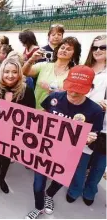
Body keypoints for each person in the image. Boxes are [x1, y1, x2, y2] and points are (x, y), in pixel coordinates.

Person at [25, 65, 104, 219]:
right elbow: (43, 113)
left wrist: (89, 138)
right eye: (71, 87)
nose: (73, 93)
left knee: (60, 179)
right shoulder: (55, 98)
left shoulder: (95, 110)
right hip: (45, 149)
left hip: (69, 154)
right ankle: (38, 206)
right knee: (38, 184)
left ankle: (49, 195)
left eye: (79, 89)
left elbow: (94, 133)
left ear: (90, 88)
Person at [0, 58, 36, 203]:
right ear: (1, 73)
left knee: (6, 158)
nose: (10, 75)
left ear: (19, 74)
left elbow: (32, 114)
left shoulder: (27, 91)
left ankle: (1, 179)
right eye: (7, 72)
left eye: (14, 72)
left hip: (14, 134)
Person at [66, 35, 107, 206]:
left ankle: (90, 190)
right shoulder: (83, 68)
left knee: (99, 165)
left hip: (105, 127)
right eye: (94, 47)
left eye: (103, 47)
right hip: (84, 124)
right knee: (80, 162)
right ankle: (75, 189)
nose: (98, 50)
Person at [22, 37, 82, 110]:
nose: (64, 50)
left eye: (68, 49)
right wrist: (32, 59)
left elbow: (76, 95)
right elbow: (24, 72)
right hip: (37, 111)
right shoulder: (44, 65)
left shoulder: (75, 73)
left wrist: (57, 91)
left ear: (74, 54)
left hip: (58, 114)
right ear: (57, 50)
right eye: (62, 48)